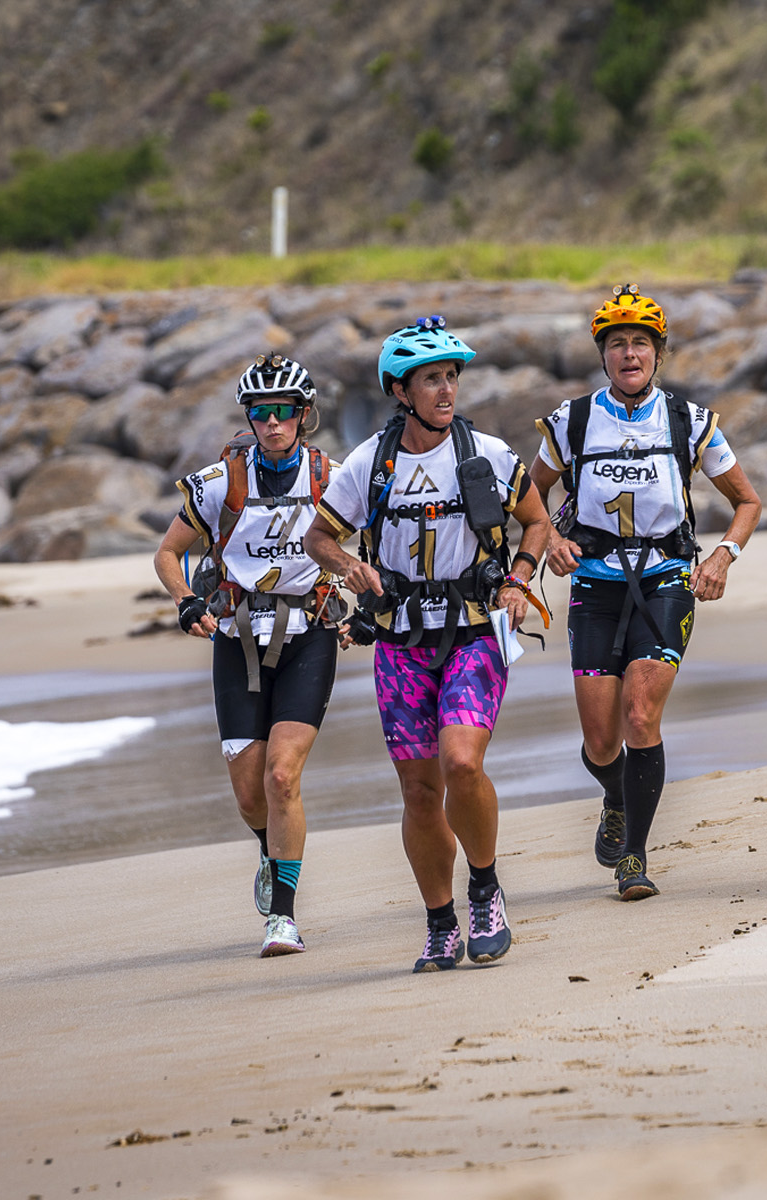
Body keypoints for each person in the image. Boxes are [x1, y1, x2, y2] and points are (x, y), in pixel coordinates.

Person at [303, 317, 553, 973]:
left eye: (450, 378)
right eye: (430, 380)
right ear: (401, 391)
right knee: (419, 792)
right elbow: (318, 538)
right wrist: (347, 568)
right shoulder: (368, 464)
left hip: (474, 630)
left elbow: (536, 521)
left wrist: (521, 580)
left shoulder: (488, 455)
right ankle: (440, 923)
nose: (445, 391)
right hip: (400, 642)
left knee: (461, 763)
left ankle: (485, 888)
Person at [527, 285, 762, 900]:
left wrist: (723, 555)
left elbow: (748, 501)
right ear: (603, 355)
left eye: (641, 344)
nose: (629, 354)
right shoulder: (571, 421)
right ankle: (616, 798)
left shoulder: (690, 421)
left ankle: (634, 858)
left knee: (639, 717)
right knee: (600, 741)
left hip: (666, 582)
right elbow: (527, 499)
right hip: (594, 586)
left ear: (659, 354)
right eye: (617, 344)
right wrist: (549, 538)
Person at [153, 353, 343, 957]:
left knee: (282, 774)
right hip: (235, 639)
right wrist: (186, 602)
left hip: (307, 633)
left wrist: (363, 598)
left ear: (304, 415)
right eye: (261, 413)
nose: (273, 423)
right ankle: (270, 850)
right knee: (248, 792)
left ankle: (282, 918)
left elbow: (376, 537)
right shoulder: (218, 485)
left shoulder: (333, 480)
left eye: (284, 412)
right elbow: (166, 554)